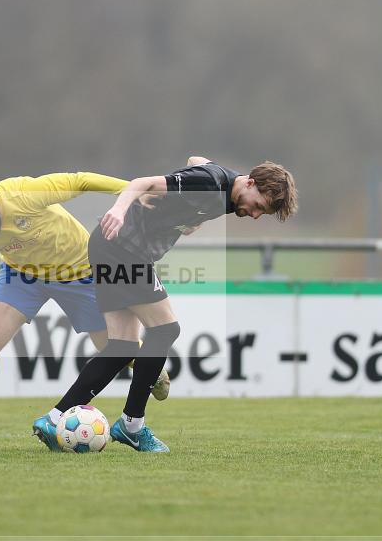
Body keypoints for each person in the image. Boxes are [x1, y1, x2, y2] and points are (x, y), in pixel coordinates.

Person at [33, 156, 299, 452]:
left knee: (123, 347)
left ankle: (55, 418)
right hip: (124, 249)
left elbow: (196, 159)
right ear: (250, 182)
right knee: (166, 330)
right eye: (259, 206)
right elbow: (142, 183)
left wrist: (192, 217)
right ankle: (132, 424)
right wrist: (119, 210)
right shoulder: (209, 183)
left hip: (109, 248)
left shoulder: (221, 185)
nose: (255, 215)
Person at [0, 172, 171, 451]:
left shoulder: (24, 193)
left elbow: (80, 181)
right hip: (22, 276)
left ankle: (150, 368)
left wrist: (132, 192)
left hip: (79, 272)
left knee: (116, 348)